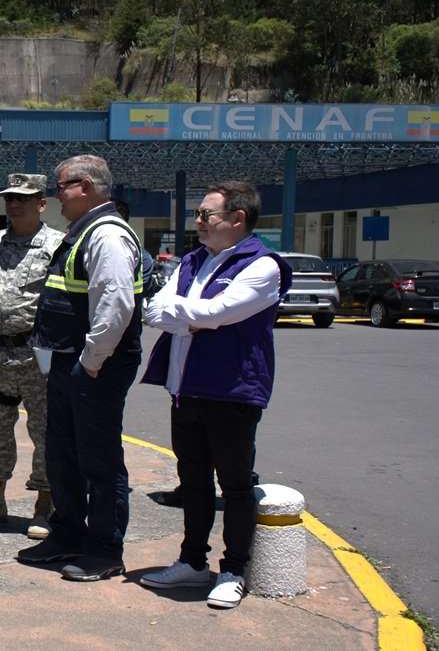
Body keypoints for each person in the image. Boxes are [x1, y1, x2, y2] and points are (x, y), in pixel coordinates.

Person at [139, 181, 291, 609]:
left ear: (237, 219)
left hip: (232, 393)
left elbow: (218, 314)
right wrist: (191, 317)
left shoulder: (262, 266)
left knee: (236, 486)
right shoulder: (192, 261)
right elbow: (155, 308)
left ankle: (233, 571)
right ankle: (192, 562)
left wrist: (183, 315)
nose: (199, 222)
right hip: (186, 390)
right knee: (193, 482)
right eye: (199, 215)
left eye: (207, 214)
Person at [16, 155, 143, 582]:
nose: (56, 196)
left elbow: (116, 303)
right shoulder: (82, 233)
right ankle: (67, 534)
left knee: (99, 463)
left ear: (85, 186)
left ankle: (105, 549)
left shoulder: (106, 235)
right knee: (63, 457)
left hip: (93, 368)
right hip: (71, 363)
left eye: (61, 186)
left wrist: (90, 362)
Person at [0, 174, 63, 540]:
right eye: (9, 198)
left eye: (23, 198)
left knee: (46, 432)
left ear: (41, 203)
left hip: (39, 356)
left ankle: (44, 505)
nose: (14, 204)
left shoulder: (57, 245)